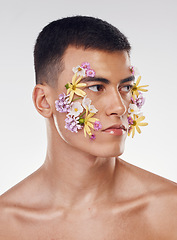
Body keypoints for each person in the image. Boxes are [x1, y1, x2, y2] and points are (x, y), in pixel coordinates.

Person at [0, 16, 176, 239]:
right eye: (96, 87)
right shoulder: (6, 223)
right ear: (43, 101)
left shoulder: (169, 210)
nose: (119, 107)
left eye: (126, 87)